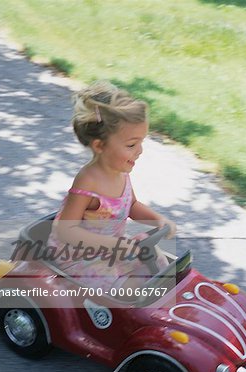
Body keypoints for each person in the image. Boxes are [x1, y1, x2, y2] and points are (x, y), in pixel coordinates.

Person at [48, 80, 176, 293]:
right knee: (129, 289)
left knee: (160, 265)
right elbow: (65, 231)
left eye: (141, 142)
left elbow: (132, 205)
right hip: (79, 258)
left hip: (111, 248)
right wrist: (113, 246)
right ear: (100, 145)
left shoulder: (121, 173)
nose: (140, 151)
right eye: (131, 145)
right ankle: (127, 320)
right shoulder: (88, 181)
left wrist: (159, 220)